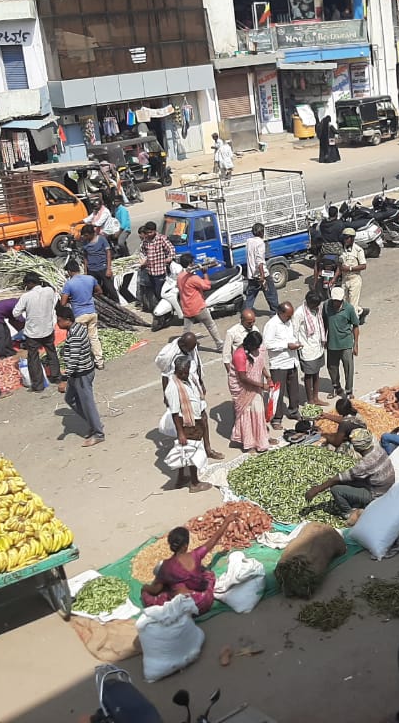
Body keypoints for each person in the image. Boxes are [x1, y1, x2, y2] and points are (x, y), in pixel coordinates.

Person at [303, 428, 395, 519]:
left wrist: (316, 490)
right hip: (387, 486)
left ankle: (348, 514)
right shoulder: (378, 449)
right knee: (348, 481)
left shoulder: (365, 464)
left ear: (356, 447)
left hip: (378, 494)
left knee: (336, 489)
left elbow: (338, 478)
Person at [140, 521, 230, 612]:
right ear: (186, 545)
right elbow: (213, 541)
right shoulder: (195, 555)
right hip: (204, 601)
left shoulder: (166, 566)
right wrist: (227, 521)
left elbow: (155, 590)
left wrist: (145, 588)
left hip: (184, 608)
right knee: (207, 574)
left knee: (155, 594)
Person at [163, 356, 217, 492]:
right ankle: (194, 483)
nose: (184, 375)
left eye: (186, 372)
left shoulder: (189, 379)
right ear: (176, 370)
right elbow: (175, 413)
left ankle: (180, 478)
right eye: (181, 373)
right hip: (186, 423)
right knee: (192, 451)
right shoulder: (173, 387)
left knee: (185, 450)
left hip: (195, 418)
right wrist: (181, 433)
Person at [55, 305, 105, 446]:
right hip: (77, 373)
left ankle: (98, 433)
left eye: (59, 321)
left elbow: (74, 358)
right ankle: (93, 423)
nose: (58, 324)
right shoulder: (75, 329)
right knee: (70, 398)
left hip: (82, 374)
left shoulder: (76, 334)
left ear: (67, 320)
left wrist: (65, 378)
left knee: (88, 404)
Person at [14, 273, 59, 393]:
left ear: (30, 284)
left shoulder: (26, 297)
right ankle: (56, 376)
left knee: (33, 357)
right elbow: (53, 290)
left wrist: (26, 312)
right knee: (51, 352)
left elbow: (15, 313)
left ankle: (38, 385)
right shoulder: (49, 291)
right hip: (47, 329)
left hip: (33, 332)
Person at [231, 330, 273, 453]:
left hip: (255, 387)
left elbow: (260, 365)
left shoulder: (256, 350)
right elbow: (243, 378)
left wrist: (268, 377)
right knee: (247, 414)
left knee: (258, 412)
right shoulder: (239, 355)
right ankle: (249, 443)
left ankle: (261, 438)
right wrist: (261, 385)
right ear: (250, 345)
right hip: (244, 388)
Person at [262, 302, 302, 426]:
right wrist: (286, 346)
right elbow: (267, 344)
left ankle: (293, 411)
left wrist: (296, 344)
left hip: (292, 361)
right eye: (288, 316)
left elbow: (292, 337)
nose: (290, 318)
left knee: (293, 390)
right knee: (277, 393)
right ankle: (276, 417)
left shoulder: (289, 322)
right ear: (280, 313)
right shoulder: (272, 325)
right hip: (279, 363)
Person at [60, 261, 103, 369]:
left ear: (69, 271)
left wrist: (72, 299)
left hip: (79, 315)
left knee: (80, 340)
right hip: (92, 312)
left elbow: (63, 303)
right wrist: (89, 295)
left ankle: (84, 363)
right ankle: (100, 362)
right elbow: (99, 291)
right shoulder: (90, 278)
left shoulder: (69, 284)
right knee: (94, 338)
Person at [176, 253, 223, 351]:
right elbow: (207, 286)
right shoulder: (193, 278)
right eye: (192, 262)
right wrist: (205, 273)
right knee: (211, 325)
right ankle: (220, 345)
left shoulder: (180, 276)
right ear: (190, 263)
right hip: (198, 307)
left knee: (186, 330)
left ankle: (183, 347)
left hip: (186, 308)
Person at [136, 221, 176, 327]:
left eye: (150, 232)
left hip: (160, 272)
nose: (148, 234)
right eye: (147, 232)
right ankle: (162, 313)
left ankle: (167, 313)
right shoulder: (146, 241)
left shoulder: (161, 239)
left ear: (154, 231)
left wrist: (169, 258)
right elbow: (144, 252)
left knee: (161, 293)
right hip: (150, 272)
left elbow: (171, 249)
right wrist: (143, 262)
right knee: (154, 293)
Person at [324, 287, 360, 399]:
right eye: (334, 301)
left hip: (346, 343)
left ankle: (349, 391)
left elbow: (355, 326)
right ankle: (336, 387)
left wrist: (356, 344)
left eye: (338, 301)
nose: (336, 303)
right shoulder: (326, 306)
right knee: (332, 367)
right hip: (332, 343)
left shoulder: (348, 309)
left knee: (348, 368)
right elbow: (324, 322)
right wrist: (324, 337)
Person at [294, 290, 327, 408]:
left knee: (316, 373)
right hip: (307, 348)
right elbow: (295, 331)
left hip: (318, 346)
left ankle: (316, 397)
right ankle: (310, 399)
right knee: (309, 375)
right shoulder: (299, 313)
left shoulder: (317, 310)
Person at [243, 222, 279, 314]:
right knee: (271, 295)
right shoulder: (260, 243)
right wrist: (263, 276)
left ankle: (246, 314)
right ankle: (274, 313)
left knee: (250, 298)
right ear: (261, 232)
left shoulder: (249, 241)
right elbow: (260, 262)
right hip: (261, 275)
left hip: (251, 275)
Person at [78, 224, 119, 303]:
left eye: (86, 235)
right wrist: (86, 271)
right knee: (96, 290)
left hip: (102, 268)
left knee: (110, 288)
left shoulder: (101, 239)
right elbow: (85, 257)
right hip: (91, 270)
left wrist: (108, 269)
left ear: (92, 233)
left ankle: (117, 304)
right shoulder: (85, 243)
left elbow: (108, 253)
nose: (85, 237)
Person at [337, 227, 368, 320]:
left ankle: (352, 326)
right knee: (343, 303)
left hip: (354, 279)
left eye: (347, 238)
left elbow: (363, 266)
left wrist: (350, 268)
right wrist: (334, 278)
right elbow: (340, 265)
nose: (345, 240)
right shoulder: (342, 249)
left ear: (352, 238)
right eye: (344, 237)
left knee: (352, 305)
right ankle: (361, 311)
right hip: (344, 279)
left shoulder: (358, 250)